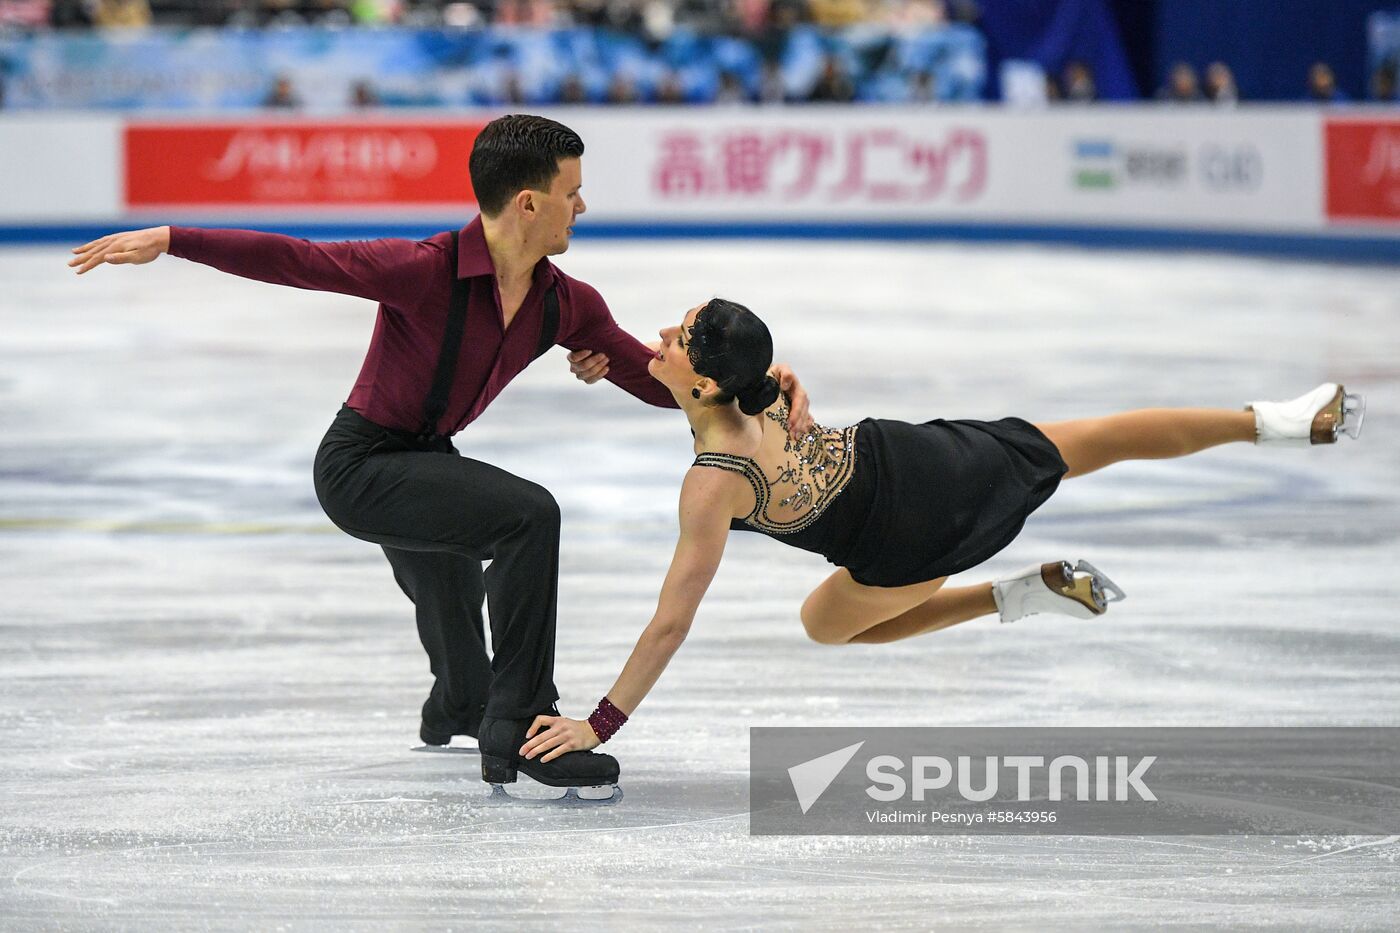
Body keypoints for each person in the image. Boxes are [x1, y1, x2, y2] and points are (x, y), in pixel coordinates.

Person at [66, 116, 814, 795]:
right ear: (527, 204)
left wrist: (757, 384)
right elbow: (301, 258)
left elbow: (664, 384)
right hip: (361, 466)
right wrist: (174, 238)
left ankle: (459, 703)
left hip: (426, 456)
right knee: (527, 515)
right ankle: (523, 722)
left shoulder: (566, 303)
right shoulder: (423, 269)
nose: (581, 208)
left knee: (454, 575)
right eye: (572, 193)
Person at [518, 298, 1365, 764]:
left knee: (824, 624)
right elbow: (695, 367)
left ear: (705, 383)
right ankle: (1281, 421)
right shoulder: (762, 386)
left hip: (900, 535)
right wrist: (608, 359)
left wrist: (601, 721)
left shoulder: (712, 485)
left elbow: (674, 617)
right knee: (1096, 440)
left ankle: (1019, 596)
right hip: (922, 455)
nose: (657, 338)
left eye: (676, 337)